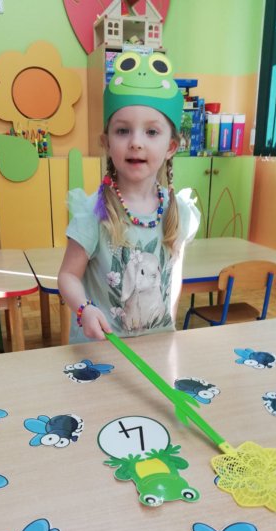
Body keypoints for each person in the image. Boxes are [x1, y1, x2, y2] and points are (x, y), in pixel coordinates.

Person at [58, 51, 200, 343]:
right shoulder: (94, 212)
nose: (136, 142)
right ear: (106, 143)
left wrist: (170, 329)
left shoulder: (178, 211)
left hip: (156, 347)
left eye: (151, 132)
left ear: (171, 147)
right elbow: (68, 276)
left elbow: (173, 276)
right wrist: (84, 309)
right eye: (123, 131)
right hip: (102, 351)